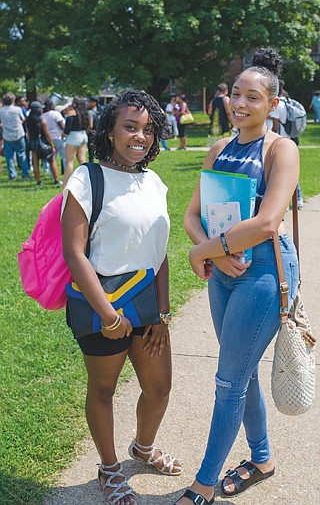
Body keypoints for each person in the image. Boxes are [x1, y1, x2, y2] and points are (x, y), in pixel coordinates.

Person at [178, 48, 299, 505]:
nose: (239, 103)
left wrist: (206, 250)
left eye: (253, 96)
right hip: (224, 271)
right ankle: (262, 457)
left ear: (272, 105)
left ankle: (203, 484)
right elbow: (193, 214)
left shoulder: (280, 149)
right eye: (234, 94)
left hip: (263, 274)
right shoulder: (219, 148)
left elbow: (269, 222)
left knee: (228, 381)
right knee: (241, 375)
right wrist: (212, 252)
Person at [61, 89, 182, 505]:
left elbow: (159, 252)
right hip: (100, 308)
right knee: (103, 390)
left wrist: (163, 313)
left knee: (159, 388)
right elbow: (74, 253)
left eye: (148, 129)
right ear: (109, 131)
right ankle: (109, 468)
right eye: (130, 127)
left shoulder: (154, 181)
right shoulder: (86, 178)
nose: (140, 137)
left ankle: (142, 449)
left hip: (147, 305)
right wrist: (110, 315)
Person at [267, 82, 304, 208]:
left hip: (280, 142)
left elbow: (275, 126)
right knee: (289, 172)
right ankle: (298, 199)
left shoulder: (277, 106)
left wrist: (270, 139)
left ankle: (285, 204)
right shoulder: (287, 103)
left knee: (279, 174)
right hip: (290, 139)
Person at [26, 101, 61, 186]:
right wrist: (52, 146)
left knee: (35, 163)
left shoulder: (28, 120)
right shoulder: (42, 120)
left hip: (33, 142)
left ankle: (39, 181)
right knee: (52, 160)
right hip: (43, 142)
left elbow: (28, 133)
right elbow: (47, 134)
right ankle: (56, 180)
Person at [62, 96, 91, 187]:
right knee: (82, 160)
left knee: (69, 162)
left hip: (74, 137)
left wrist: (62, 135)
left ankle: (65, 184)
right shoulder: (85, 113)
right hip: (83, 135)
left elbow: (67, 129)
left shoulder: (71, 114)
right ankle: (88, 180)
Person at [0, 92, 30, 180]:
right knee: (22, 155)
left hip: (7, 135)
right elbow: (23, 118)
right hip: (18, 134)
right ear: (13, 101)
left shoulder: (1, 110)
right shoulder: (17, 109)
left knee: (9, 157)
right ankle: (25, 173)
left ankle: (12, 174)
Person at [43, 99, 66, 176]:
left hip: (49, 139)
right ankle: (67, 175)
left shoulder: (43, 115)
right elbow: (62, 125)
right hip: (59, 137)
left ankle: (53, 176)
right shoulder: (56, 114)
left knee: (52, 159)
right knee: (65, 158)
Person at [207, 83, 232, 148]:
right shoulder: (225, 99)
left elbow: (209, 112)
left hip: (214, 125)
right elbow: (228, 112)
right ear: (225, 90)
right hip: (224, 124)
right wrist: (233, 123)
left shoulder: (213, 100)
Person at [87, 96, 102, 162]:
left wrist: (87, 132)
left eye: (89, 102)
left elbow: (90, 125)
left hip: (92, 134)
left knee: (91, 154)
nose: (88, 103)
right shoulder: (100, 111)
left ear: (94, 103)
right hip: (100, 134)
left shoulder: (90, 112)